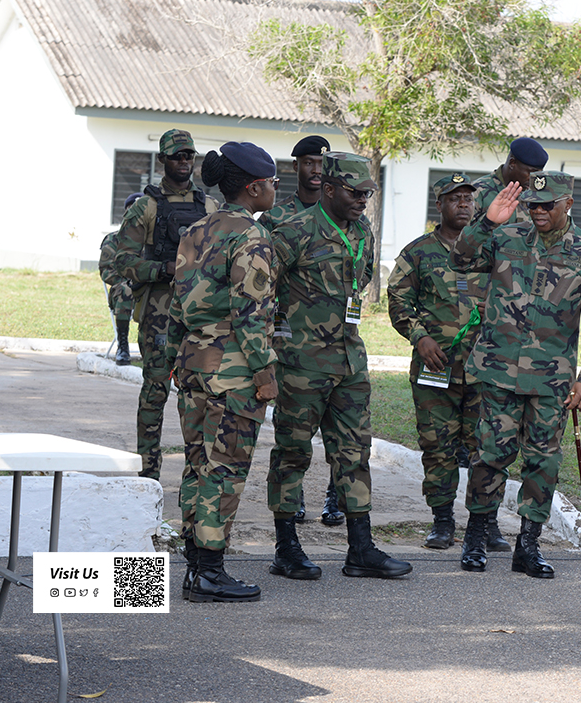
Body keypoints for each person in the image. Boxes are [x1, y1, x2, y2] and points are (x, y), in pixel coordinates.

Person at [451, 171, 581, 579]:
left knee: (542, 461)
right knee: (490, 456)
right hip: (499, 370)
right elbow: (461, 258)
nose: (539, 211)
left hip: (551, 379)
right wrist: (487, 221)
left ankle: (528, 545)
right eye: (533, 205)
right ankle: (476, 536)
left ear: (568, 205)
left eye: (548, 205)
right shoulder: (506, 238)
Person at [261, 151, 412, 579]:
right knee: (293, 453)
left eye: (368, 192)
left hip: (349, 360)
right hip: (301, 363)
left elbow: (358, 281)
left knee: (354, 452)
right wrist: (273, 347)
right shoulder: (292, 232)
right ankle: (286, 547)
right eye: (354, 191)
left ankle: (360, 547)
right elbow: (263, 293)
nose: (363, 199)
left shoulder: (361, 229)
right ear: (328, 189)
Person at [164, 141, 279, 603]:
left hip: (193, 366)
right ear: (253, 188)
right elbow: (252, 313)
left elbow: (176, 304)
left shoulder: (196, 228)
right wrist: (266, 372)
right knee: (224, 471)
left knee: (196, 465)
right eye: (271, 183)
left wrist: (174, 358)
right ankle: (210, 573)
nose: (275, 189)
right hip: (232, 373)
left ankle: (196, 567)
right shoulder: (252, 238)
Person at [387, 173, 509, 552]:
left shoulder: (492, 249)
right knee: (437, 447)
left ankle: (484, 523)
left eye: (468, 198)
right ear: (438, 205)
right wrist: (420, 337)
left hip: (483, 368)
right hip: (435, 367)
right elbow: (398, 299)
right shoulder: (418, 251)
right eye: (454, 198)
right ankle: (442, 521)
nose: (463, 204)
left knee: (485, 447)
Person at [115, 129, 218, 480]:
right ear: (162, 160)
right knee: (155, 392)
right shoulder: (146, 207)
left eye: (189, 155)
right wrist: (163, 268)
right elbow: (121, 262)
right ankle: (148, 472)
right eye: (177, 156)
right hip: (159, 315)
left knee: (200, 396)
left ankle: (198, 473)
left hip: (199, 317)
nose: (184, 162)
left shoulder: (208, 207)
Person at [263, 135, 346, 530]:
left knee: (344, 431)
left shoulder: (347, 216)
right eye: (309, 163)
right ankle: (291, 502)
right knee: (295, 430)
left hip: (341, 340)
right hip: (292, 337)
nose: (316, 170)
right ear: (295, 166)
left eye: (321, 164)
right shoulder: (277, 218)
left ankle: (335, 496)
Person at [98, 192, 141, 365]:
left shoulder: (152, 239)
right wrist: (125, 282)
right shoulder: (114, 239)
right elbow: (106, 270)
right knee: (125, 290)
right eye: (133, 210)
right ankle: (123, 346)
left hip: (149, 288)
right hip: (123, 289)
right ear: (126, 212)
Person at [469, 137, 548, 225]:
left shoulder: (532, 196)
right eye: (531, 173)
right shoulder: (477, 191)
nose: (534, 179)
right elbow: (462, 234)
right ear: (512, 163)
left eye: (538, 174)